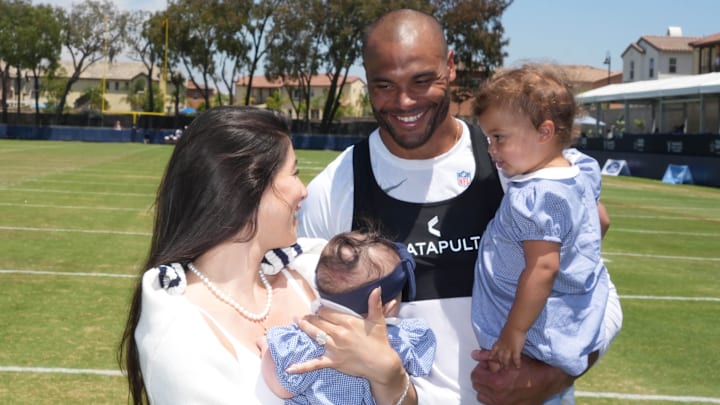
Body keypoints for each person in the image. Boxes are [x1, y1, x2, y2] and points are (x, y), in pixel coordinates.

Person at [296, 8, 623, 405]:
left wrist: (552, 377)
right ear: (367, 82)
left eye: (421, 80)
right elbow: (305, 322)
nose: (404, 101)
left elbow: (593, 294)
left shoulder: (519, 167)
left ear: (450, 67)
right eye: (384, 85)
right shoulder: (336, 186)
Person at [117, 106, 414, 405]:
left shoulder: (315, 274)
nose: (303, 190)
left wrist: (390, 375)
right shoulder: (178, 334)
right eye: (294, 173)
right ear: (246, 185)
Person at [471, 64, 613, 404]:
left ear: (544, 132)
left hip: (533, 339)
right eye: (488, 139)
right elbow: (602, 222)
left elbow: (542, 268)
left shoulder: (535, 195)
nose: (491, 149)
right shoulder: (579, 169)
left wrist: (514, 332)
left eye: (499, 138)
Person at [259, 230, 436, 404]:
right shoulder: (402, 340)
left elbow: (282, 387)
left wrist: (267, 346)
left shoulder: (309, 343)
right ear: (388, 307)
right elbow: (419, 376)